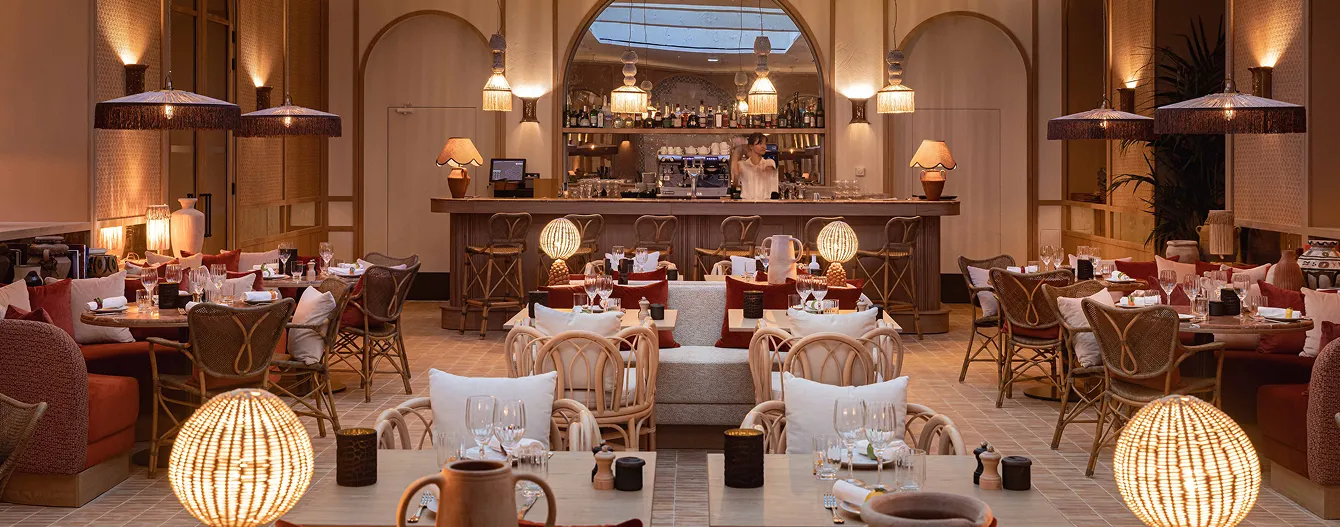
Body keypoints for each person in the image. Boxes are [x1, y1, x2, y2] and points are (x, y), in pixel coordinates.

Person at [733, 133, 778, 200]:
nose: (764, 147)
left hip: (765, 204)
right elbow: (735, 181)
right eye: (760, 144)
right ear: (751, 146)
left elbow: (766, 169)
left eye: (765, 144)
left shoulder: (769, 162)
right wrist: (737, 151)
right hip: (747, 204)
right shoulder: (742, 165)